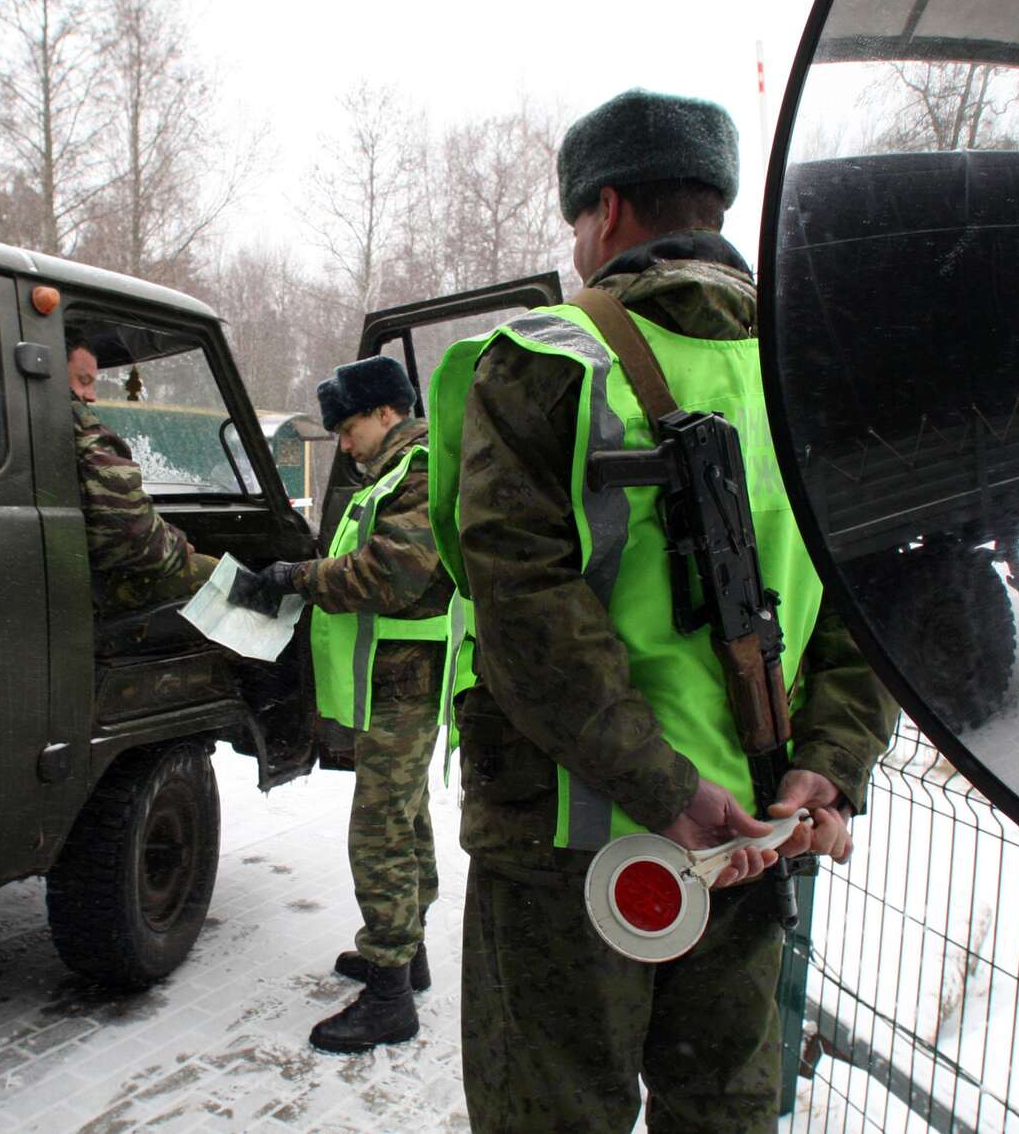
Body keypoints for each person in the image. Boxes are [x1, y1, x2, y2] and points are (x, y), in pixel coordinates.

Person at [424, 89, 897, 1132]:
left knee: (547, 1107)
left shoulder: (545, 360)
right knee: (722, 1105)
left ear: (605, 212)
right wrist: (827, 760)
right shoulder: (814, 372)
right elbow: (876, 600)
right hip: (753, 832)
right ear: (712, 206)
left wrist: (658, 785)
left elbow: (523, 605)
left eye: (576, 226)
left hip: (569, 854)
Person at [232, 356, 469, 1054]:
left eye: (348, 426)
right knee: (401, 816)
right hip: (391, 683)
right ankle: (407, 952)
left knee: (379, 833)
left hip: (407, 684)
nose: (344, 442)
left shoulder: (420, 470)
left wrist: (295, 578)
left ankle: (389, 995)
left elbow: (392, 573)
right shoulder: (394, 474)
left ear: (385, 413)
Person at [69, 331, 215, 613]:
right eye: (83, 381)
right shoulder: (75, 425)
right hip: (83, 588)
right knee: (214, 578)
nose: (91, 395)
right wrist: (177, 549)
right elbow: (129, 529)